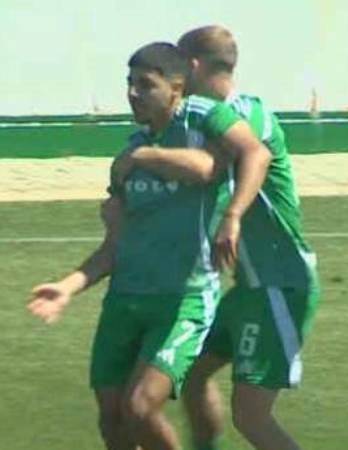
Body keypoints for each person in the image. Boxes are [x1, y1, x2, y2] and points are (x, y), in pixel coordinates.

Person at [27, 42, 271, 450]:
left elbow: (244, 156)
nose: (133, 93)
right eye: (130, 83)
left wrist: (232, 215)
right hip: (123, 301)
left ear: (176, 87)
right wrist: (67, 288)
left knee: (140, 407)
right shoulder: (128, 153)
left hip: (182, 300)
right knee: (112, 420)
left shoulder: (201, 119)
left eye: (146, 84)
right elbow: (114, 247)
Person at [118, 25, 320, 450]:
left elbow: (225, 162)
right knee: (192, 375)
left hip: (278, 281)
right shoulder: (199, 120)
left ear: (191, 67)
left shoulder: (246, 113)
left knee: (251, 416)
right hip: (247, 287)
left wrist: (230, 214)